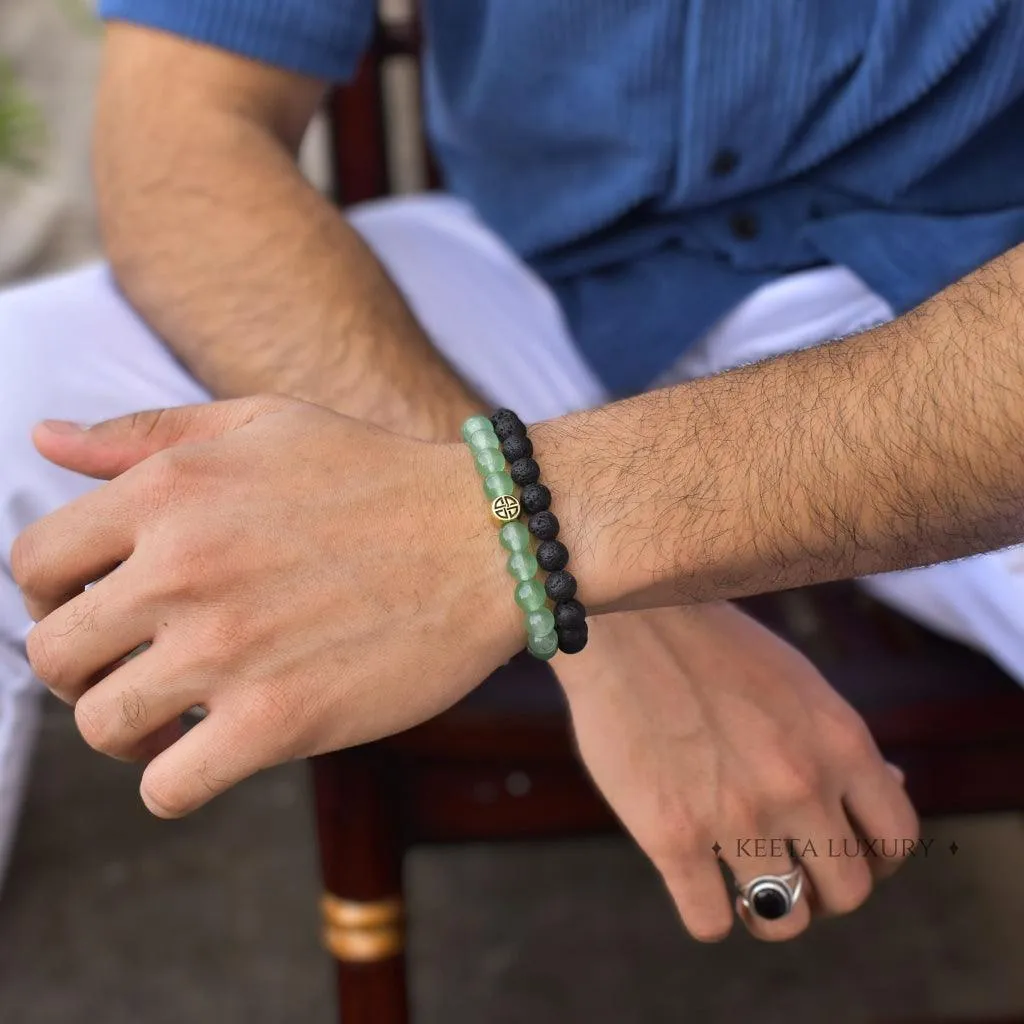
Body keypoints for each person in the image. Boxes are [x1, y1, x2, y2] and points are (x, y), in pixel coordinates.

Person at [3, 1, 1023, 943]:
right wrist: (591, 605)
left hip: (974, 314)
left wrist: (535, 543)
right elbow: (181, 140)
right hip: (550, 284)